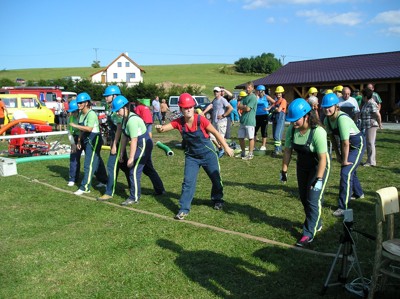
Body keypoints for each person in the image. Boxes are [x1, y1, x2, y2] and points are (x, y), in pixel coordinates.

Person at [155, 93, 234, 220]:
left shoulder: (200, 119)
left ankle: (217, 199)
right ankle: (183, 209)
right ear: (181, 109)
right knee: (188, 182)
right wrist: (159, 129)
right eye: (186, 108)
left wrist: (226, 147)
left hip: (208, 153)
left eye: (191, 107)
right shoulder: (179, 122)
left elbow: (215, 132)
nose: (189, 110)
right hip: (192, 157)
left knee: (215, 178)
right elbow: (163, 129)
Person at [281, 98, 330, 247]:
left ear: (306, 116)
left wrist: (319, 179)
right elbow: (288, 151)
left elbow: (323, 158)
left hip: (318, 167)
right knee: (304, 197)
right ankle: (317, 221)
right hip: (302, 166)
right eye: (292, 120)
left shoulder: (318, 132)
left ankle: (308, 234)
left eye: (296, 120)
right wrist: (284, 170)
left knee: (313, 198)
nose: (293, 123)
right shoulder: (292, 129)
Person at [113, 95, 165, 206]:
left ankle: (134, 197)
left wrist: (131, 158)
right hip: (141, 143)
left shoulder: (132, 120)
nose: (117, 113)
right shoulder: (124, 119)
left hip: (144, 143)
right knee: (147, 169)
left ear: (125, 108)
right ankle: (160, 189)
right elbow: (124, 137)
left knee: (134, 170)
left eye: (118, 110)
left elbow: (134, 140)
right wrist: (122, 152)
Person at [321, 93, 365, 217]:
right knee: (351, 170)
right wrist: (338, 155)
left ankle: (343, 207)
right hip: (347, 144)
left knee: (346, 172)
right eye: (324, 107)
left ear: (336, 106)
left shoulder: (342, 119)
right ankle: (358, 193)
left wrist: (344, 160)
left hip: (356, 145)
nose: (327, 109)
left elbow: (345, 142)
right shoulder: (327, 120)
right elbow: (333, 139)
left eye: (329, 106)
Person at [69, 92, 108, 195]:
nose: (78, 105)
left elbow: (89, 128)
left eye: (80, 102)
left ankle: (85, 187)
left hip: (94, 139)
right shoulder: (82, 114)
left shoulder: (91, 114)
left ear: (86, 103)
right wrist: (79, 141)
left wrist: (75, 126)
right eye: (78, 103)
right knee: (96, 161)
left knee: (88, 164)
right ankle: (104, 181)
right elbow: (83, 130)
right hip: (86, 139)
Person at [97, 85, 130, 201]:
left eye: (107, 96)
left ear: (115, 96)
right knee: (125, 166)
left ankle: (109, 192)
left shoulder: (117, 110)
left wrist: (115, 145)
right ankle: (134, 187)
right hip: (115, 140)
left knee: (111, 166)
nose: (105, 98)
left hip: (119, 141)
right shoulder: (111, 108)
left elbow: (119, 129)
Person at [202, 86, 233, 158]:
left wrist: (223, 115)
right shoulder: (215, 100)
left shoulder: (223, 99)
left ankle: (222, 150)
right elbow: (210, 106)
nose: (215, 93)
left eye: (217, 91)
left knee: (220, 137)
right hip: (215, 121)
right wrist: (203, 112)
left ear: (220, 92)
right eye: (214, 91)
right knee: (211, 136)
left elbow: (230, 108)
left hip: (222, 122)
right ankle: (220, 148)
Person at [360, 88, 383, 167]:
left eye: (362, 95)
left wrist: (380, 124)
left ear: (366, 96)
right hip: (367, 125)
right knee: (368, 143)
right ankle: (369, 160)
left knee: (370, 143)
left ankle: (372, 162)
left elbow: (377, 115)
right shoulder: (366, 103)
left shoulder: (372, 103)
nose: (362, 97)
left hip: (371, 125)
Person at [237, 82, 258, 160]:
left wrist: (244, 107)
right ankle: (243, 153)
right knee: (240, 137)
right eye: (246, 87)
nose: (247, 89)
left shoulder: (253, 97)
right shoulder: (244, 97)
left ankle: (250, 154)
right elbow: (239, 106)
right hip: (243, 121)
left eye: (249, 88)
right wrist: (244, 107)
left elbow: (248, 108)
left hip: (250, 121)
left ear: (252, 88)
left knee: (250, 138)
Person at [66, 100, 82, 186]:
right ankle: (73, 178)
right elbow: (69, 132)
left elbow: (82, 130)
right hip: (75, 138)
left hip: (84, 137)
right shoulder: (70, 119)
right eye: (71, 112)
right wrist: (73, 144)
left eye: (73, 112)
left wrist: (79, 141)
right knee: (74, 158)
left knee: (93, 160)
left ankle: (102, 179)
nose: (72, 113)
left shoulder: (83, 116)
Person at [270, 86, 288, 157]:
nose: (278, 94)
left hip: (280, 119)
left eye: (279, 93)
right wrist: (269, 108)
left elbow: (279, 110)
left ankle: (277, 150)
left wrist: (274, 109)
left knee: (277, 135)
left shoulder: (283, 101)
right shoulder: (276, 101)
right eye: (277, 93)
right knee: (275, 135)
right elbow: (270, 107)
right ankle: (278, 149)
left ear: (282, 93)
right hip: (275, 119)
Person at [255, 85, 274, 150]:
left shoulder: (266, 97)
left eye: (258, 91)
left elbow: (274, 102)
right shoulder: (255, 97)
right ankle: (253, 145)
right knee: (254, 130)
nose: (257, 92)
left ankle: (263, 145)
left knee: (264, 130)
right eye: (256, 91)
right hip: (256, 115)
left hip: (264, 115)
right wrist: (256, 98)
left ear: (262, 91)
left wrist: (269, 108)